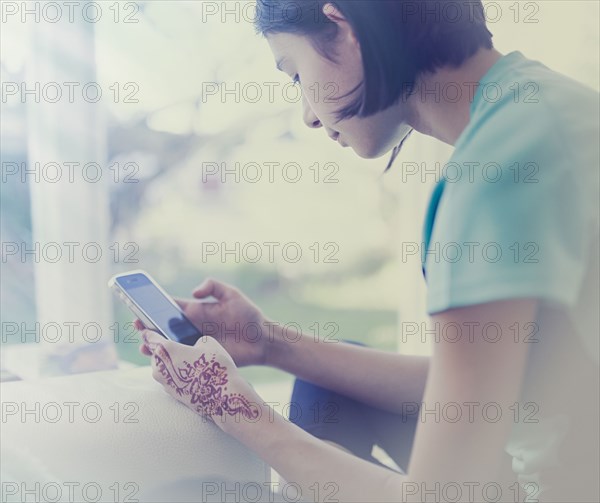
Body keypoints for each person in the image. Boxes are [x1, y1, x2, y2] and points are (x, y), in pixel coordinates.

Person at [137, 1, 599, 501]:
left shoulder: (493, 175)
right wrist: (268, 342)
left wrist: (229, 405)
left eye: (294, 74)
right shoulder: (549, 110)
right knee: (335, 381)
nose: (309, 116)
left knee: (182, 493)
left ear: (344, 27)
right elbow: (521, 388)